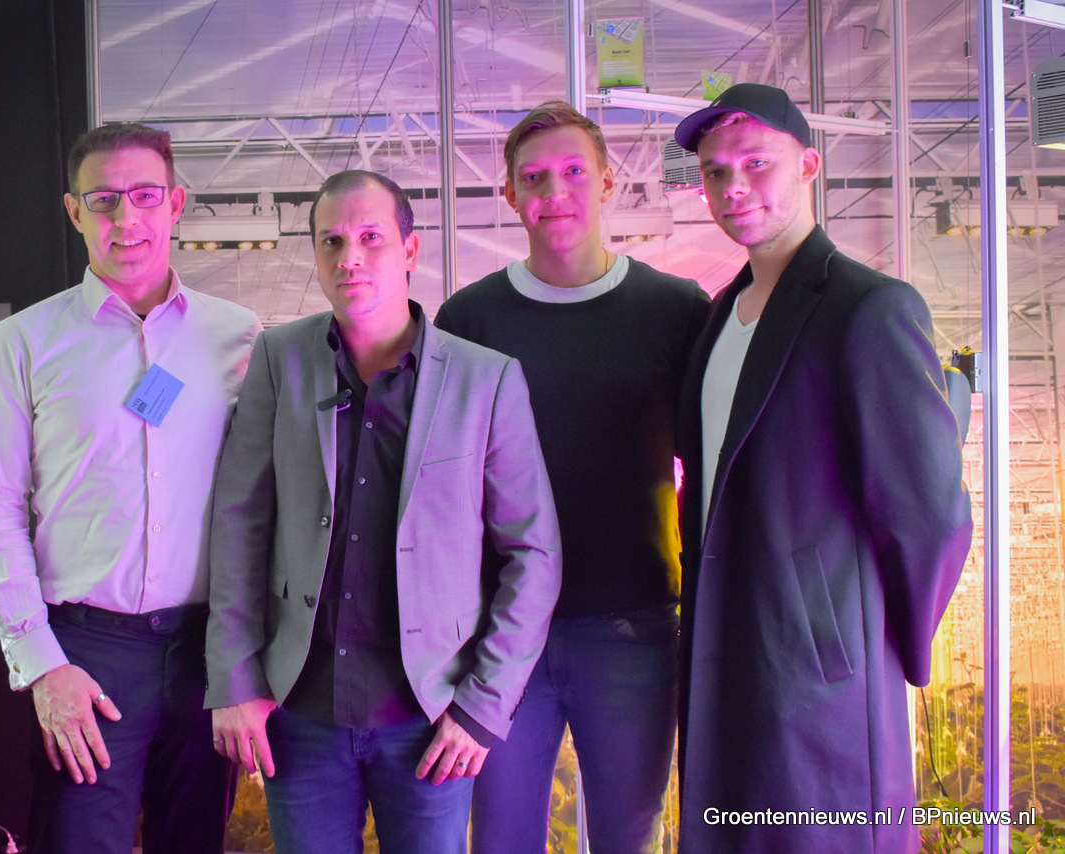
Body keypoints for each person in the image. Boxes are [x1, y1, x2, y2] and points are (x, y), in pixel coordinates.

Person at [204, 169, 562, 854]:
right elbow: (240, 523)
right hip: (299, 711)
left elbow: (534, 553)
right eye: (331, 241)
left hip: (430, 717)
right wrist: (235, 676)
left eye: (371, 238)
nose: (349, 258)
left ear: (410, 251)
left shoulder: (486, 378)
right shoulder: (279, 359)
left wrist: (483, 706)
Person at [672, 83, 973, 853]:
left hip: (817, 668)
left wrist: (879, 642)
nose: (733, 187)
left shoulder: (867, 307)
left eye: (755, 164)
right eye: (714, 172)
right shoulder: (720, 316)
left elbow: (929, 510)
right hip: (725, 645)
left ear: (809, 165)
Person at [0, 122, 260, 854]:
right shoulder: (23, 342)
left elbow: (266, 504)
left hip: (205, 652)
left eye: (145, 195)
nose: (126, 218)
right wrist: (42, 665)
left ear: (176, 204)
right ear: (74, 211)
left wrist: (249, 659)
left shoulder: (239, 336)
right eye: (103, 200)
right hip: (86, 652)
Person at [433, 100, 709, 854]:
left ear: (609, 183)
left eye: (573, 172)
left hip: (632, 625)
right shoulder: (470, 321)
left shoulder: (675, 311)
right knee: (500, 839)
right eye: (534, 178)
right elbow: (439, 490)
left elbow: (714, 466)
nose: (554, 193)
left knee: (630, 836)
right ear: (509, 195)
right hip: (500, 638)